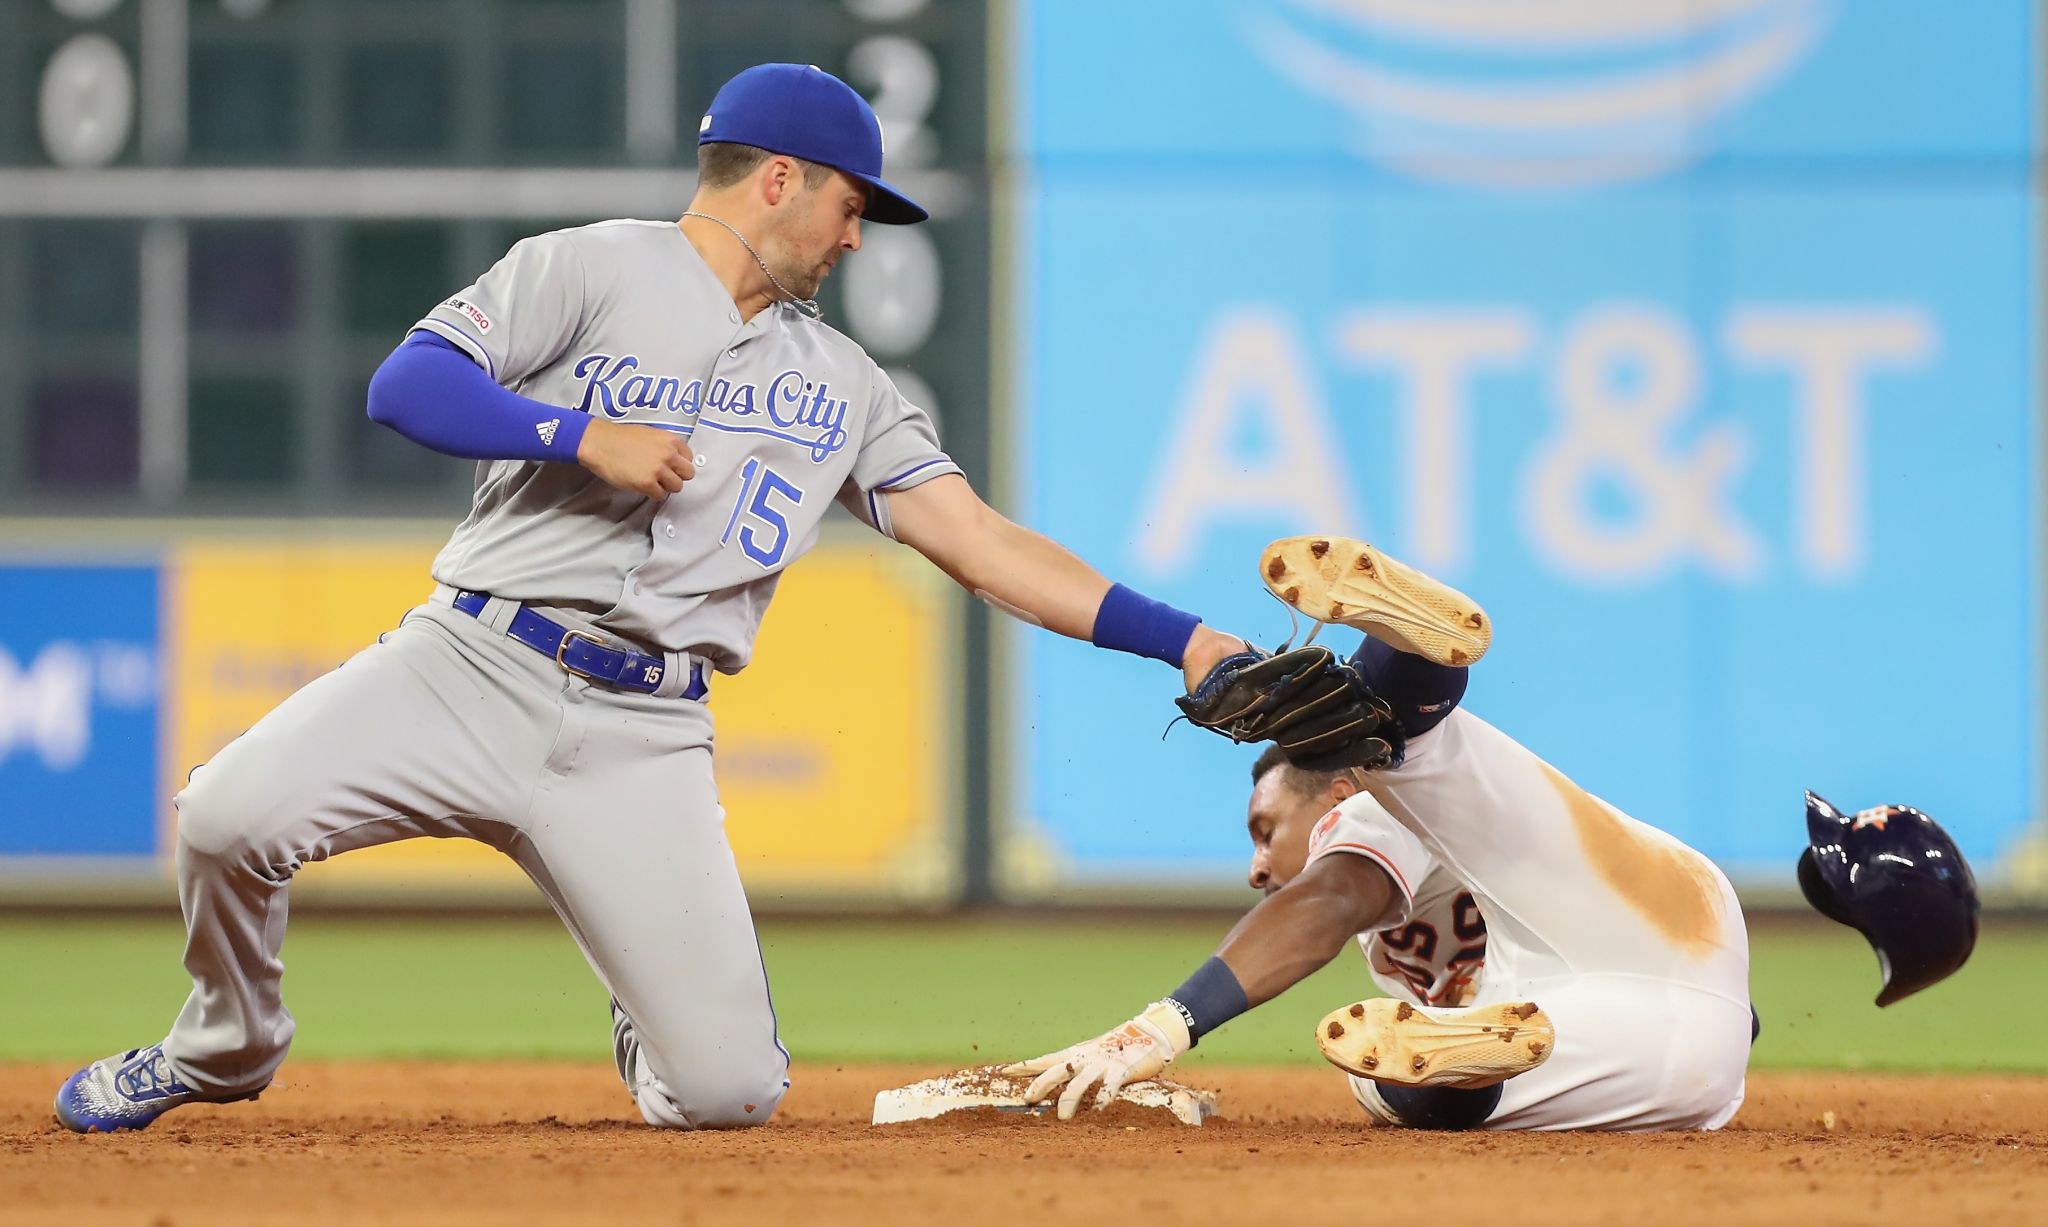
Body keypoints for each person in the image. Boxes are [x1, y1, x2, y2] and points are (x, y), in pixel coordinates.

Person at [53, 63, 1248, 1134]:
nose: (858, 240)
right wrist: (576, 432)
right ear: (779, 179)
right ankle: (225, 1045)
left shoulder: (842, 382)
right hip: (466, 667)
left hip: (644, 732)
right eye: (850, 206)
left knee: (727, 1094)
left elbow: (982, 544)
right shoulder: (588, 264)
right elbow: (406, 383)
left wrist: (1186, 641)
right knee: (222, 820)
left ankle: (653, 1022)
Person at [1009, 536, 1756, 1131]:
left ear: (1330, 792)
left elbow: (1330, 900)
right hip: (1683, 1039)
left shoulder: (1357, 810)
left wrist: (1165, 1024)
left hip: (1629, 976)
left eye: (1266, 829)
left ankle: (1391, 692)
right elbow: (1738, 1022)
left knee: (1383, 1071)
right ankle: (1393, 684)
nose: (1257, 865)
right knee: (1402, 1058)